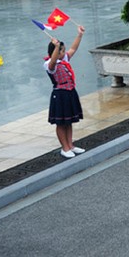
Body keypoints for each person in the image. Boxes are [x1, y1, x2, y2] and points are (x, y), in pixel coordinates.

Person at [46, 26, 86, 159]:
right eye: (61, 51)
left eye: (63, 50)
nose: (64, 53)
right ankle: (64, 147)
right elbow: (52, 63)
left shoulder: (64, 61)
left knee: (68, 121)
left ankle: (70, 145)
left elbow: (73, 48)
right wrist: (56, 47)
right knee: (61, 122)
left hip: (69, 92)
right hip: (60, 94)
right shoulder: (49, 64)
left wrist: (79, 35)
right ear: (55, 52)